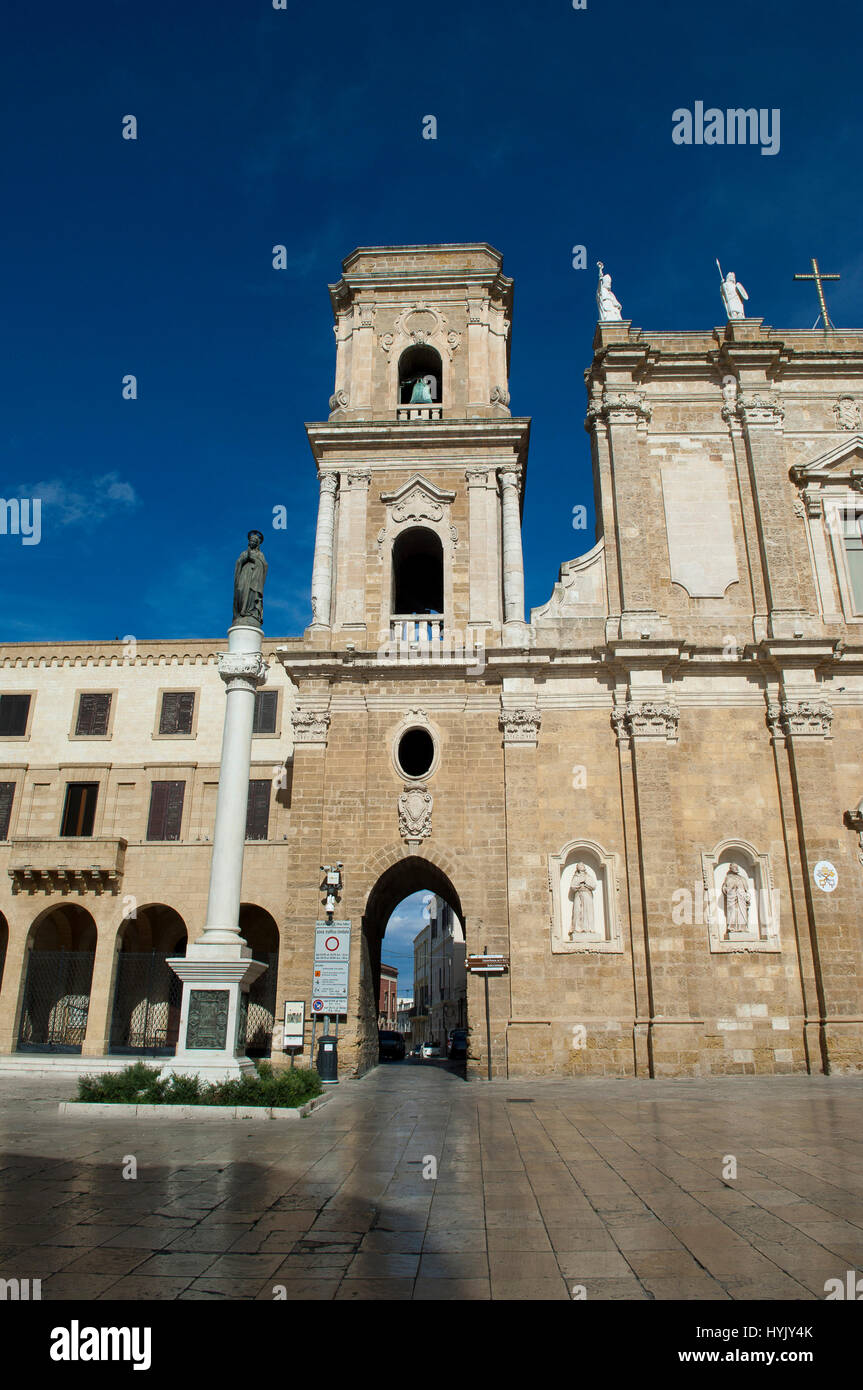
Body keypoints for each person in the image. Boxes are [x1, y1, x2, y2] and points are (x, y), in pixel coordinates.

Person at [233, 530, 268, 625]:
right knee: (241, 591)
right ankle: (241, 611)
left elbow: (264, 565)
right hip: (244, 575)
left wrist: (254, 560)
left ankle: (251, 612)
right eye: (250, 541)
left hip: (254, 577)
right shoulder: (244, 553)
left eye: (253, 541)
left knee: (252, 594)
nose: (251, 542)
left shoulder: (260, 554)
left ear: (257, 543)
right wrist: (244, 559)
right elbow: (238, 563)